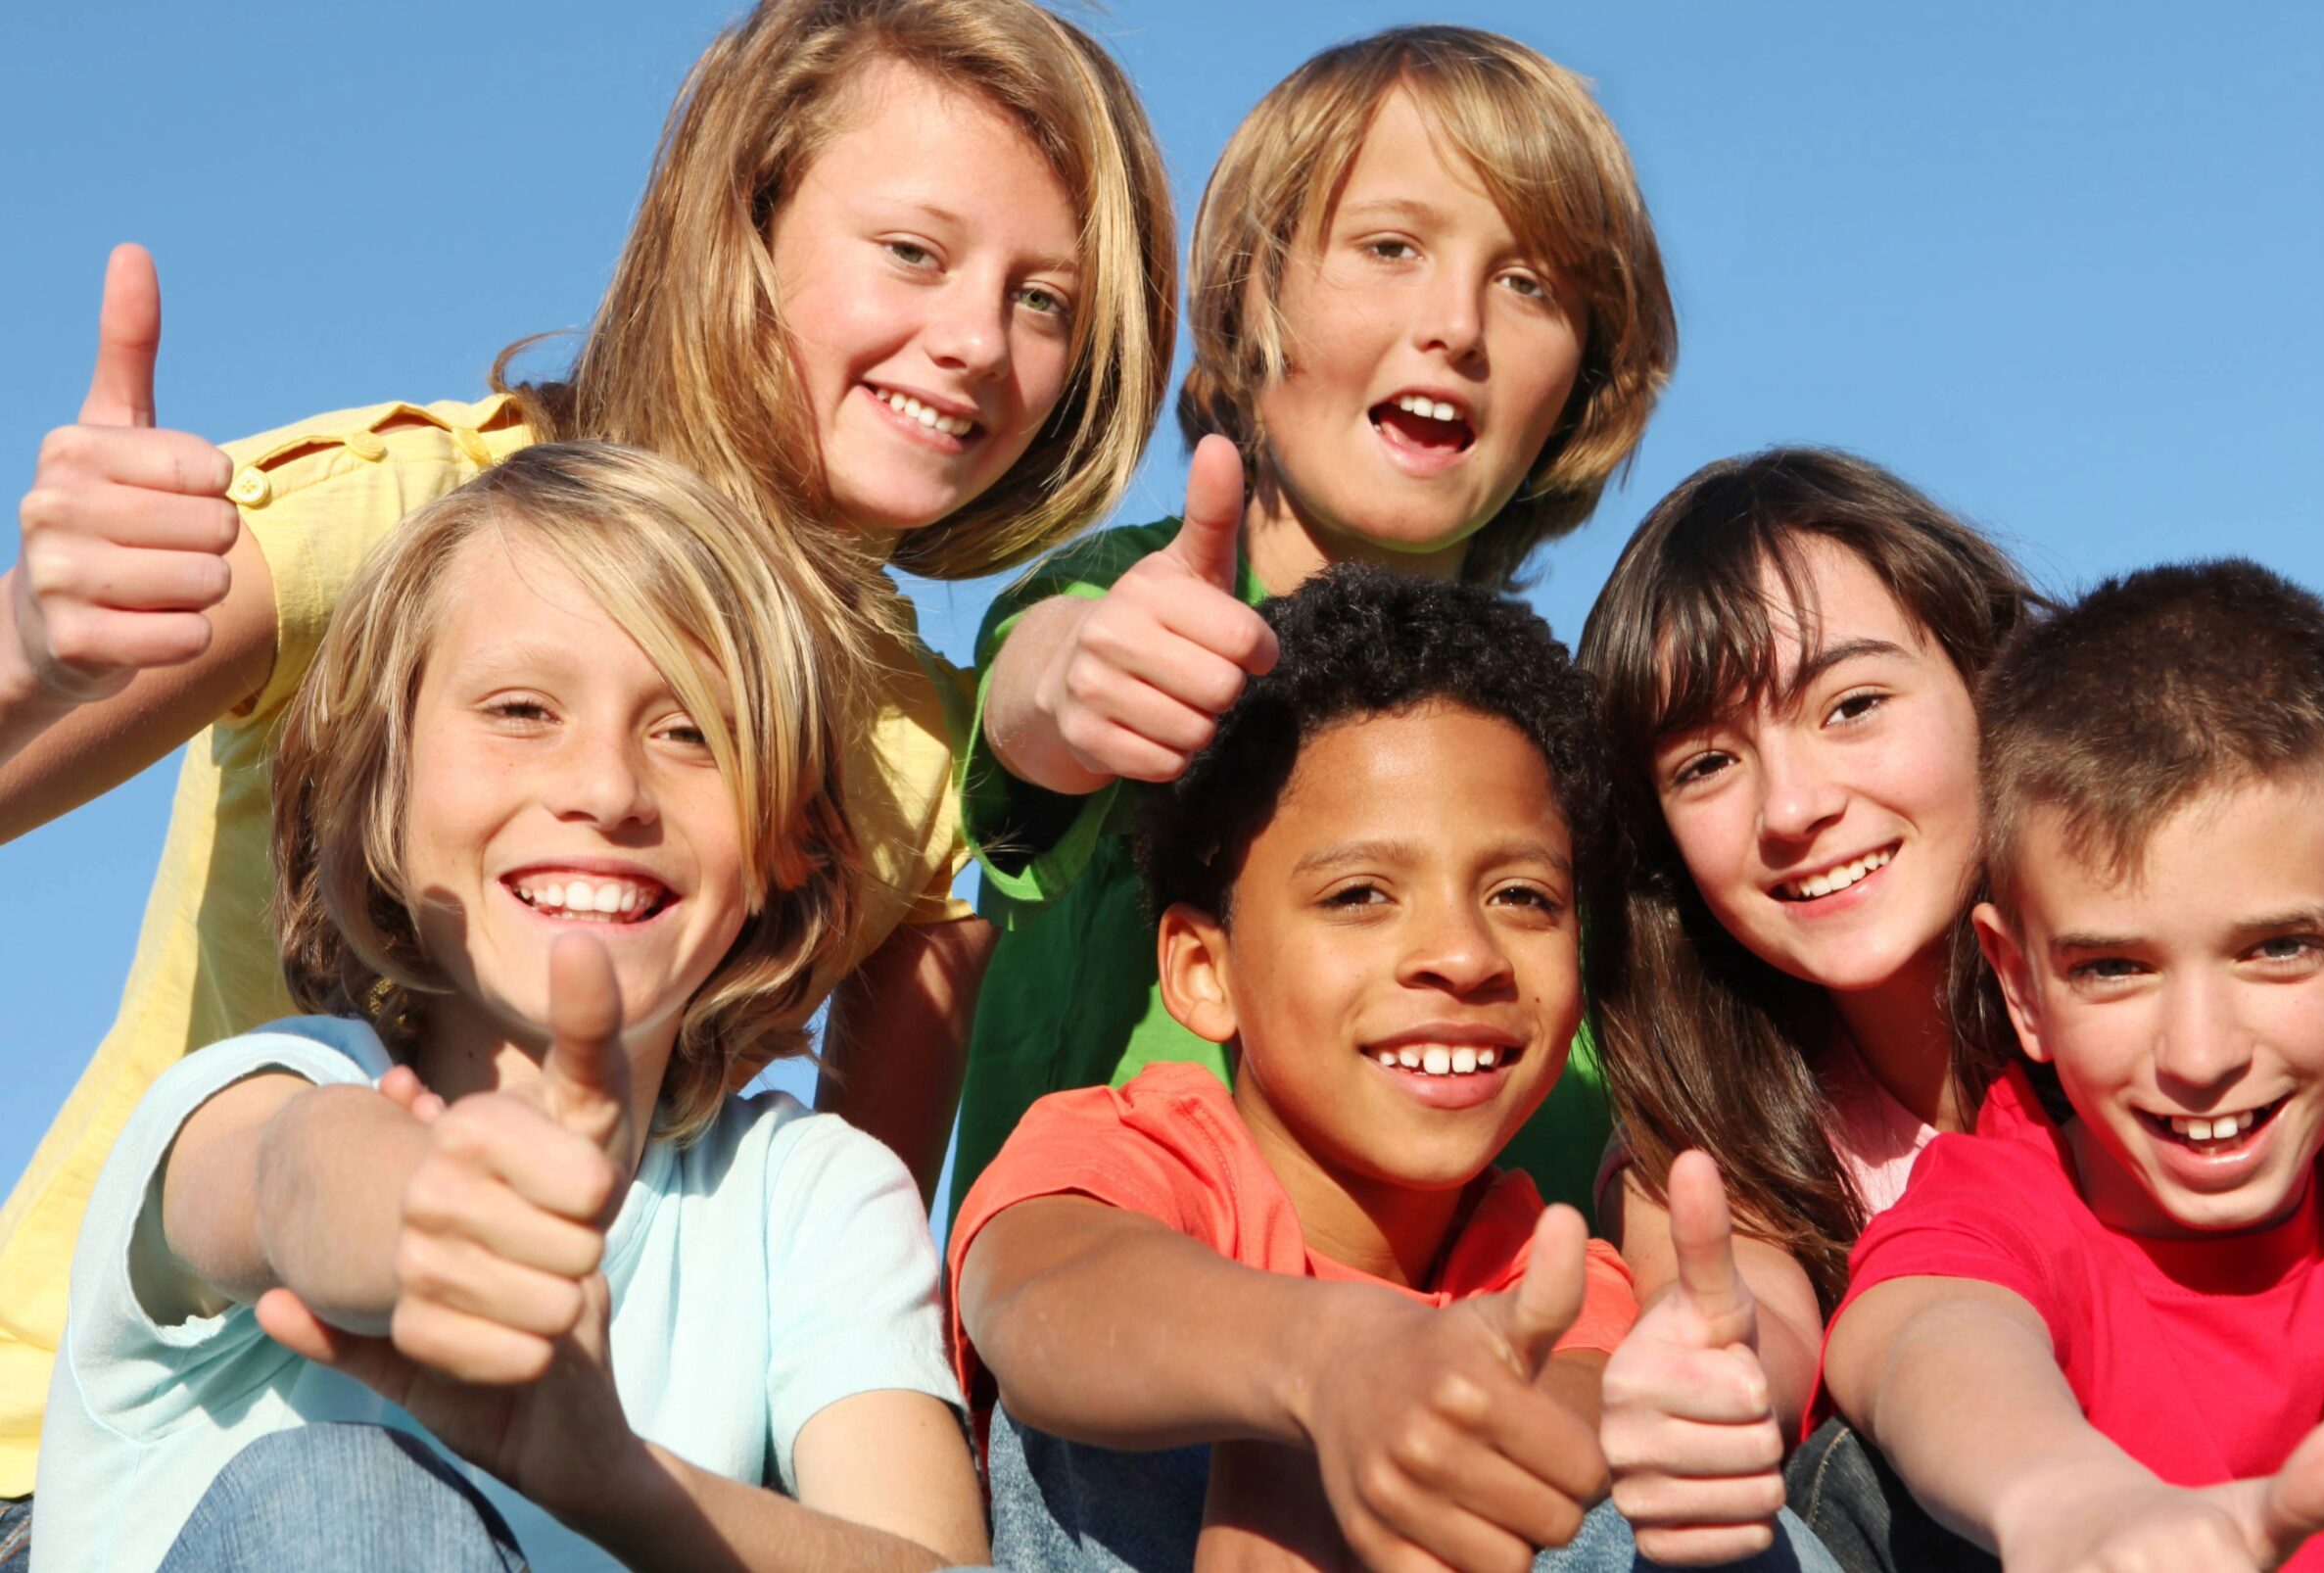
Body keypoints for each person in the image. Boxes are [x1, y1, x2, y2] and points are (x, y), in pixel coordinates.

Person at [0, 0, 1177, 1509]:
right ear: (742, 224)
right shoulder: (413, 516)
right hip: (91, 1471)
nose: (973, 338)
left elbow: (829, 1305)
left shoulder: (916, 766)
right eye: (912, 252)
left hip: (572, 1505)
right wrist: (38, 654)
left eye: (1045, 300)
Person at [37, 443, 986, 1573]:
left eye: (691, 732)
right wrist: (437, 1214)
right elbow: (288, 1177)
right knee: (346, 1487)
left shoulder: (809, 1196)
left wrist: (616, 1481)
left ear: (786, 842)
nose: (607, 789)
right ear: (380, 795)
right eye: (524, 709)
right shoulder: (255, 1093)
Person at [1573, 450, 2324, 1563]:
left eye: (1852, 704)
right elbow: (1898, 1327)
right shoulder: (1809, 1137)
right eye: (1706, 762)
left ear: (1987, 687)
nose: (1793, 806)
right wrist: (1702, 1390)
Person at [949, 566, 1839, 1573]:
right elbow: (1037, 1298)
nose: (1463, 954)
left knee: (1731, 1538)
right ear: (1204, 971)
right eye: (1362, 894)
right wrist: (1328, 1365)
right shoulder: (1132, 1155)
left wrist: (1658, 1424)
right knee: (1138, 1406)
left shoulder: (1537, 1265)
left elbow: (1577, 1421)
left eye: (1522, 896)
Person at [947, 24, 1678, 1217]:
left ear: (1584, 379)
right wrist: (1082, 685)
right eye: (1389, 247)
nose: (1456, 323)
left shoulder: (1580, 752)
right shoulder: (1130, 601)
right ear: (1249, 290)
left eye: (1529, 282)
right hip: (1123, 1369)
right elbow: (1040, 694)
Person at [1813, 558, 2324, 1570]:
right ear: (2020, 986)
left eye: (2276, 949)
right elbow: (1925, 1332)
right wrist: (2067, 1500)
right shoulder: (2011, 1194)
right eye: (2111, 968)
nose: (2200, 1054)